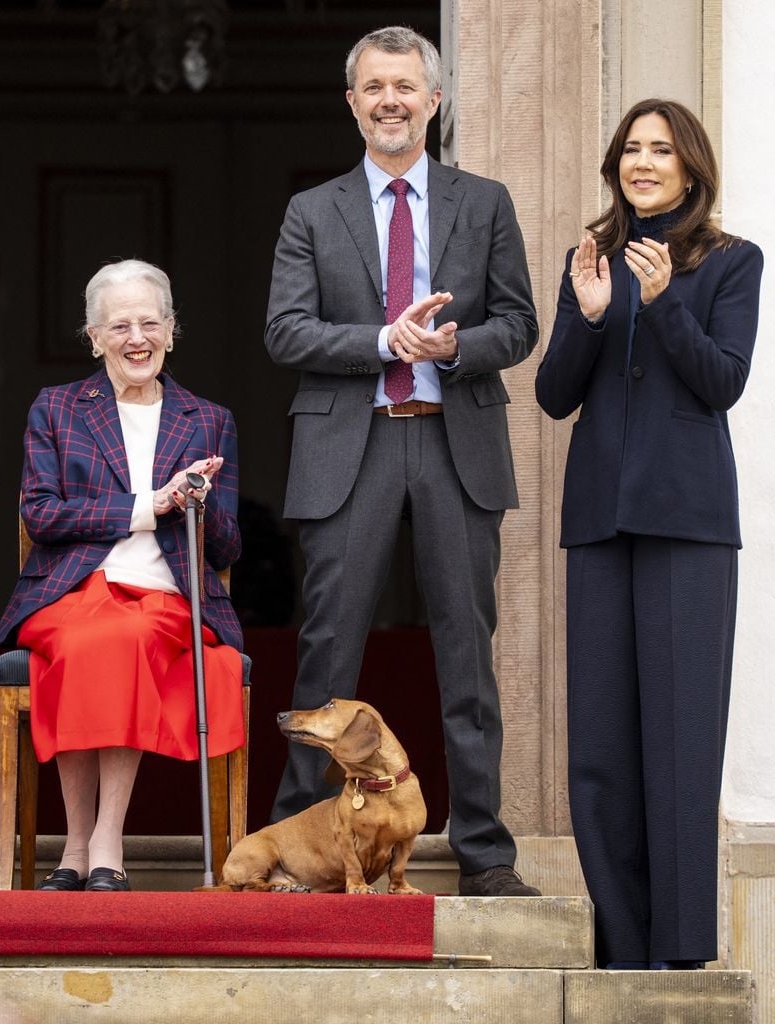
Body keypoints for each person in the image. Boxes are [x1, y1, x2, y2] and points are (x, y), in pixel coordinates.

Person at [264, 25, 540, 897]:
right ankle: (300, 860)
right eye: (374, 86)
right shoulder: (313, 209)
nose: (391, 100)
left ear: (435, 99)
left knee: (467, 656)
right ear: (352, 102)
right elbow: (285, 330)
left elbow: (520, 324)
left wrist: (456, 346)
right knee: (327, 657)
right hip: (356, 443)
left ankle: (486, 857)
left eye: (406, 86)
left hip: (454, 437)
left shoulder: (484, 201)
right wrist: (385, 338)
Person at [535, 99, 763, 969]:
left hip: (688, 523)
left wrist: (666, 303)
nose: (644, 162)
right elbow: (557, 395)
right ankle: (621, 945)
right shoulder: (589, 258)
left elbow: (723, 384)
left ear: (691, 166)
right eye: (632, 149)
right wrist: (591, 314)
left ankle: (680, 950)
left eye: (661, 149)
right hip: (599, 519)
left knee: (680, 734)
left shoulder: (732, 260)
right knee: (598, 743)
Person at [0, 259, 245, 892]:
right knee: (86, 640)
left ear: (171, 329)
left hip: (165, 595)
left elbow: (228, 546)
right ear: (94, 336)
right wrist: (148, 506)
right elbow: (41, 514)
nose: (138, 338)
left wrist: (197, 504)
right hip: (73, 589)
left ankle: (103, 836)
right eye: (121, 326)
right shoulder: (58, 409)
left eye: (150, 323)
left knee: (119, 640)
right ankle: (83, 843)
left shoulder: (207, 419)